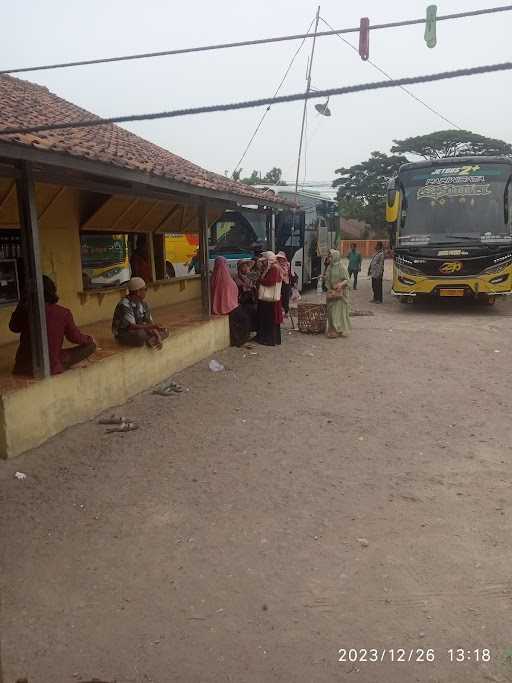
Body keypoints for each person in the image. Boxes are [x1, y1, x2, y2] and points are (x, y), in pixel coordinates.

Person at [9, 275, 96, 376]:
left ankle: (65, 364)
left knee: (54, 354)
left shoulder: (25, 310)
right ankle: (67, 365)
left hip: (22, 367)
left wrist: (21, 304)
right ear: (52, 290)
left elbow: (13, 328)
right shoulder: (63, 313)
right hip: (49, 366)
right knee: (90, 346)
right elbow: (75, 337)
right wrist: (89, 339)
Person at [112, 277, 169, 349]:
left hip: (140, 329)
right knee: (140, 335)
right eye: (145, 289)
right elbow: (132, 327)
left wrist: (157, 336)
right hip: (124, 333)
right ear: (138, 292)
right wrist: (152, 327)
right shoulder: (125, 304)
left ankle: (151, 340)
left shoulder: (144, 304)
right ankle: (149, 339)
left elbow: (149, 323)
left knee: (164, 330)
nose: (146, 291)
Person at [211, 256, 251, 347]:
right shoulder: (226, 278)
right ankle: (241, 340)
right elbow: (233, 290)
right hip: (230, 306)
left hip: (217, 307)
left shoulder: (213, 277)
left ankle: (237, 340)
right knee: (244, 318)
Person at [255, 251, 283, 346]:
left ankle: (268, 340)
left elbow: (269, 282)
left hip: (270, 299)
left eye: (265, 261)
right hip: (273, 298)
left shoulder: (274, 268)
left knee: (269, 319)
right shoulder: (275, 267)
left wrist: (259, 279)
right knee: (270, 319)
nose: (263, 263)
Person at [324, 249, 351, 338]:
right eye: (329, 256)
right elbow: (328, 278)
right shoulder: (330, 267)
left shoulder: (341, 267)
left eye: (331, 256)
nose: (329, 258)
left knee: (337, 313)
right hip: (332, 292)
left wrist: (340, 284)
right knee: (331, 313)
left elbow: (347, 280)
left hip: (340, 294)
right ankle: (332, 329)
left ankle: (337, 330)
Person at [276, 251, 292, 315]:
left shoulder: (287, 265)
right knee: (279, 298)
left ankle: (286, 311)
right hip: (278, 283)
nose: (280, 259)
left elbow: (292, 274)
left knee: (286, 297)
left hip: (286, 283)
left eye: (282, 258)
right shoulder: (276, 265)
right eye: (279, 258)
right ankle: (280, 312)